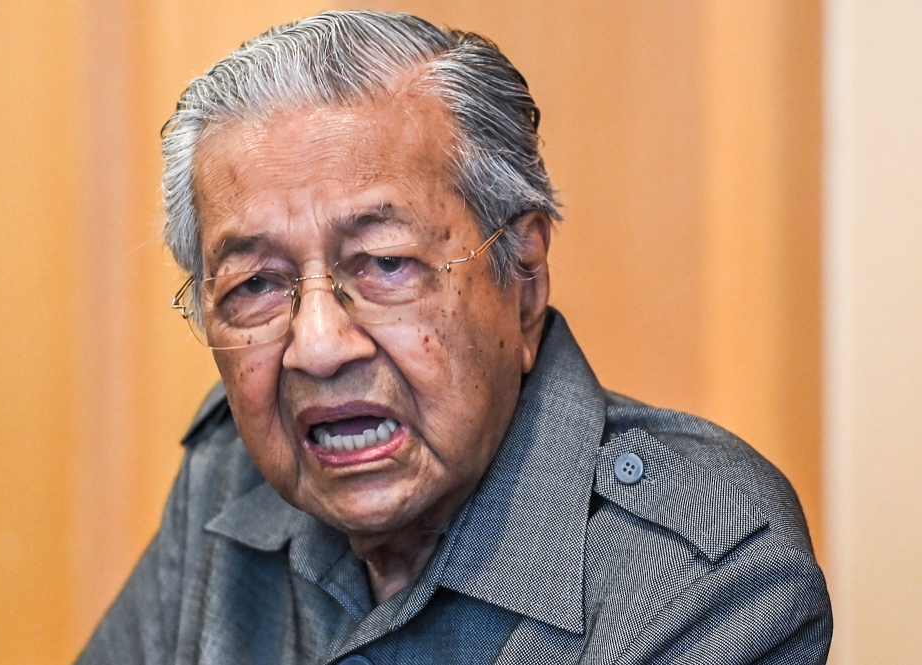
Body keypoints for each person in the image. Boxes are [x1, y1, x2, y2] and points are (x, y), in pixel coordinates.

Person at [77, 10, 831, 665]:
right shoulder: (225, 476)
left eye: (383, 264)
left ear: (525, 276)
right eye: (256, 286)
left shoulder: (705, 571)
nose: (316, 345)